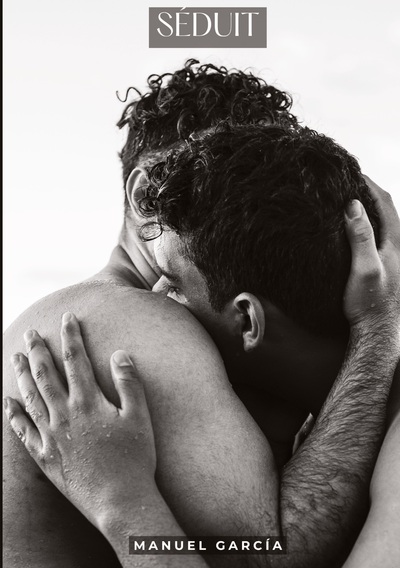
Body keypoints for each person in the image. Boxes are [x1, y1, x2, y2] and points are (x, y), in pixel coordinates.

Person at [3, 62, 399, 568]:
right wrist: (378, 328)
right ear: (145, 195)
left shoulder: (174, 325)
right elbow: (271, 554)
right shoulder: (132, 325)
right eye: (213, 175)